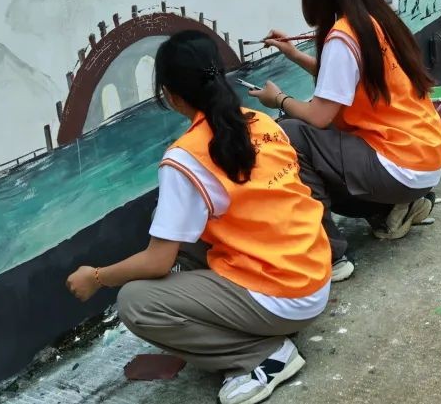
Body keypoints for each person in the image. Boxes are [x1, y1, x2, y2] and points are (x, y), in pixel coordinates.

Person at [66, 31, 331, 404]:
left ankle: (260, 356)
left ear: (171, 96)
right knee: (172, 228)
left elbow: (157, 262)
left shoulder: (185, 157)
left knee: (136, 302)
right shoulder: (261, 122)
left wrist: (96, 277)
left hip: (285, 295)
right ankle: (258, 324)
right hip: (314, 272)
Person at [250, 0, 441, 282]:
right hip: (424, 157)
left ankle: (330, 254)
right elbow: (340, 83)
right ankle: (392, 210)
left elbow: (320, 115)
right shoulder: (376, 19)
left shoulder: (343, 34)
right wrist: (293, 54)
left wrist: (277, 98)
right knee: (313, 140)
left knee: (288, 134)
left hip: (399, 165)